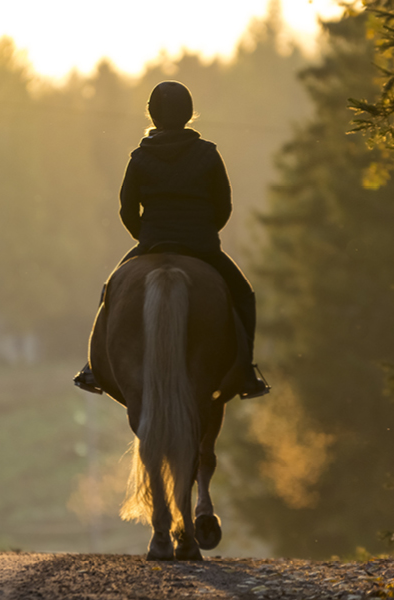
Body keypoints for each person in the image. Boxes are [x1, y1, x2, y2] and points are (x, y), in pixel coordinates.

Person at [74, 80, 270, 400]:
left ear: (153, 115)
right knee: (244, 295)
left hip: (151, 244)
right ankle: (246, 371)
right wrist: (204, 234)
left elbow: (126, 209)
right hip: (202, 245)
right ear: (189, 113)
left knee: (111, 292)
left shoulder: (139, 157)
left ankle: (94, 368)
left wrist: (147, 238)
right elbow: (224, 206)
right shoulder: (208, 155)